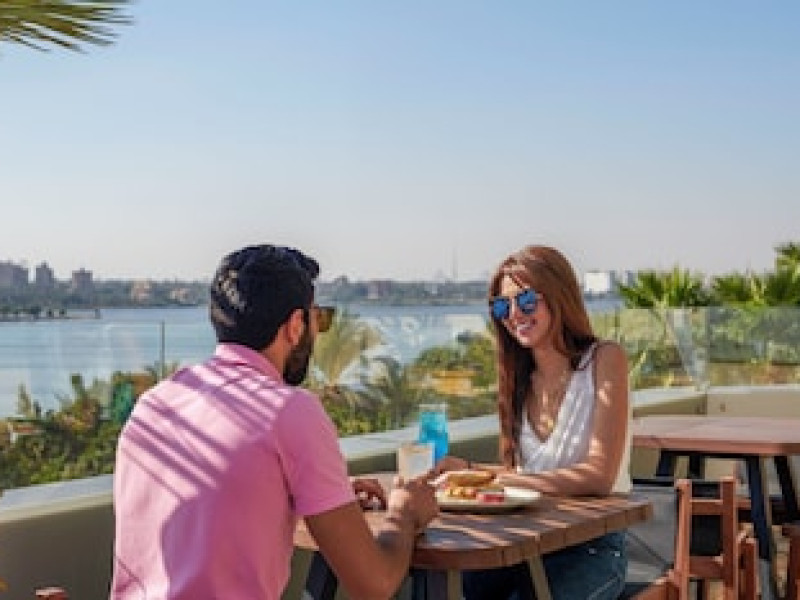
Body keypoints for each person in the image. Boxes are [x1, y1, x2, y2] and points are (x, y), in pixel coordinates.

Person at [110, 244, 438, 600]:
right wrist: (404, 513)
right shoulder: (290, 410)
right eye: (318, 319)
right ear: (296, 326)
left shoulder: (155, 403)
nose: (318, 331)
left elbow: (215, 508)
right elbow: (374, 584)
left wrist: (314, 496)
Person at [434, 244, 631, 600]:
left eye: (525, 301)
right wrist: (468, 472)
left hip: (591, 548)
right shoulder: (517, 381)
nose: (513, 315)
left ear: (559, 296)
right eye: (501, 306)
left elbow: (599, 476)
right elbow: (524, 476)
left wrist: (486, 475)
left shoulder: (604, 359)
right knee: (455, 586)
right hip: (526, 543)